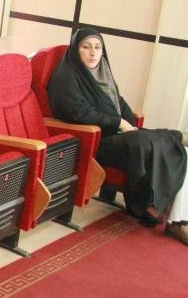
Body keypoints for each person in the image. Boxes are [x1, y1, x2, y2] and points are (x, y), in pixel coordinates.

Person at [48, 28, 187, 236]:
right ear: (76, 50)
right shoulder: (66, 76)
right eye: (86, 47)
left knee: (177, 150)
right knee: (146, 143)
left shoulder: (102, 71)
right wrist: (119, 123)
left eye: (98, 47)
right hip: (96, 139)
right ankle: (175, 137)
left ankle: (179, 221)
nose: (93, 53)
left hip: (118, 135)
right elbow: (77, 112)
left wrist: (130, 123)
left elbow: (118, 101)